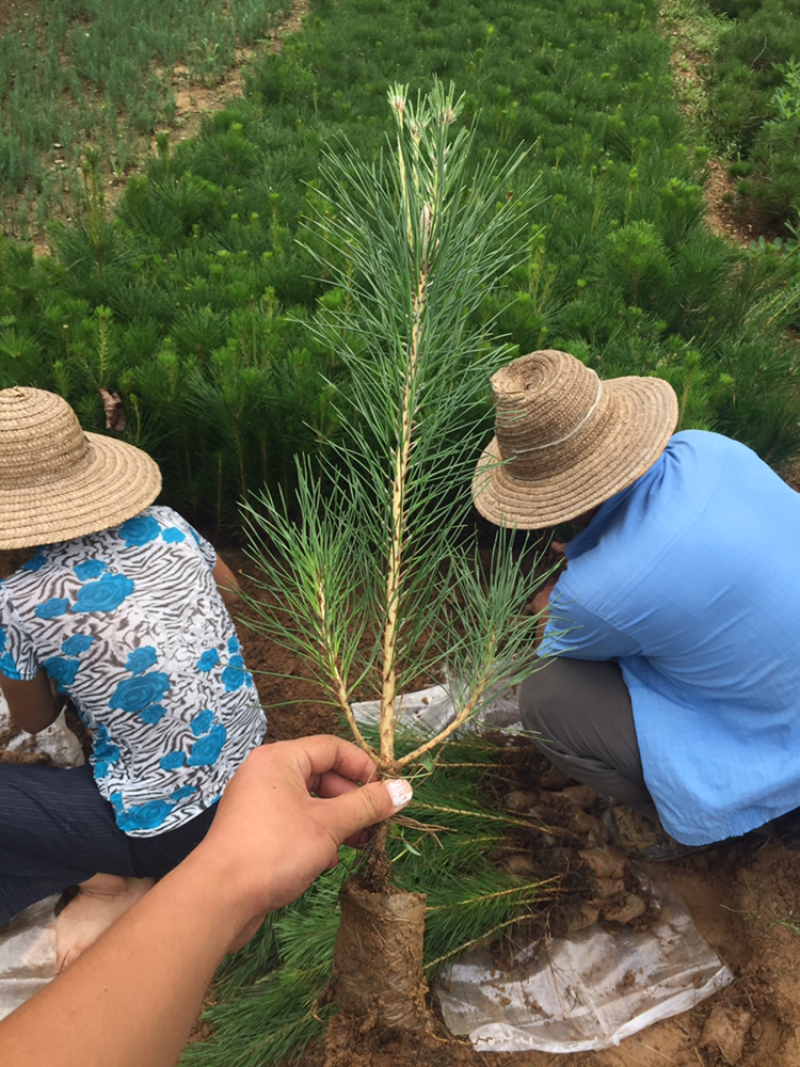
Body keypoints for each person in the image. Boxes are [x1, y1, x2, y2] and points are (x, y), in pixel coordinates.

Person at [472, 348, 800, 860]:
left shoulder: (597, 594)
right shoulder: (707, 449)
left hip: (785, 759)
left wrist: (549, 605)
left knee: (546, 696)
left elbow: (554, 635)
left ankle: (708, 821)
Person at [0, 386, 266, 965]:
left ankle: (109, 883)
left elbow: (34, 718)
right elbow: (232, 593)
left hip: (172, 834)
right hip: (256, 777)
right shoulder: (168, 523)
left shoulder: (15, 598)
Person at [0, 734, 413, 1067]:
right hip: (221, 802)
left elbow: (35, 718)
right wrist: (230, 879)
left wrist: (231, 877)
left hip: (163, 832)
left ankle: (107, 884)